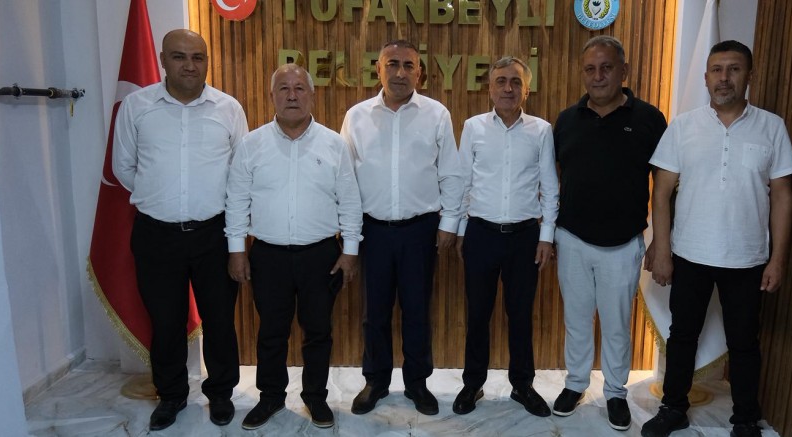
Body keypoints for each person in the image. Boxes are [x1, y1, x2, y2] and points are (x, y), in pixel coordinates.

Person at [640, 40, 792, 437]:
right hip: (690, 253)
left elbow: (783, 195)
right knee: (682, 337)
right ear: (706, 77)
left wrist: (778, 259)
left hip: (747, 258)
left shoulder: (771, 127)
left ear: (749, 75)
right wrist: (663, 250)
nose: (724, 78)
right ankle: (673, 408)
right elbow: (662, 192)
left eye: (733, 69)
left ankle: (745, 418)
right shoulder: (683, 126)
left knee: (744, 343)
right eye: (716, 70)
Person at [112, 29, 246, 431]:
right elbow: (124, 167)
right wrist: (163, 198)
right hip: (157, 235)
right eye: (179, 56)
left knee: (219, 320)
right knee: (166, 321)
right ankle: (171, 395)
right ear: (162, 60)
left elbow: (241, 173)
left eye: (197, 57)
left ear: (207, 62)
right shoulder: (137, 107)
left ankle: (220, 393)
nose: (189, 65)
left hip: (214, 235)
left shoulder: (228, 109)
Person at [224, 64, 362, 430]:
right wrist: (236, 249)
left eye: (299, 88)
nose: (292, 95)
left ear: (312, 95)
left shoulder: (334, 144)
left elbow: (350, 201)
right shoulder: (251, 144)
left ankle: (315, 397)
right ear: (272, 96)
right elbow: (236, 200)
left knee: (318, 331)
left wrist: (350, 250)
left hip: (321, 255)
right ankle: (271, 397)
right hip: (267, 256)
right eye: (284, 88)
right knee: (271, 331)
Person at [340, 39, 464, 416]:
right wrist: (348, 231)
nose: (400, 72)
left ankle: (417, 383)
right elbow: (344, 179)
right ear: (378, 69)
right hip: (373, 231)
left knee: (417, 310)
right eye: (392, 64)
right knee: (374, 313)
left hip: (420, 231)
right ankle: (376, 381)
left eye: (408, 65)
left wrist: (449, 224)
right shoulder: (356, 116)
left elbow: (451, 174)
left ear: (419, 73)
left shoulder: (437, 114)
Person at [551, 35, 667, 431]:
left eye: (606, 67)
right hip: (572, 238)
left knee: (617, 323)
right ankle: (576, 384)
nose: (598, 76)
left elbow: (666, 185)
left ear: (624, 71)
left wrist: (660, 241)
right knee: (577, 318)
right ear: (582, 73)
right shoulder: (567, 120)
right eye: (590, 68)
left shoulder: (650, 119)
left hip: (623, 242)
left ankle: (616, 392)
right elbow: (554, 177)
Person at [451, 56, 560, 418]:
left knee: (521, 315)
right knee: (477, 314)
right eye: (501, 81)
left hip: (524, 238)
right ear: (490, 88)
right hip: (480, 234)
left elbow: (550, 187)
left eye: (516, 82)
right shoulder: (473, 127)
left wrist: (546, 237)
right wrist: (462, 231)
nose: (508, 88)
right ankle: (473, 383)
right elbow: (463, 182)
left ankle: (522, 385)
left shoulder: (541, 130)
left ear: (526, 90)